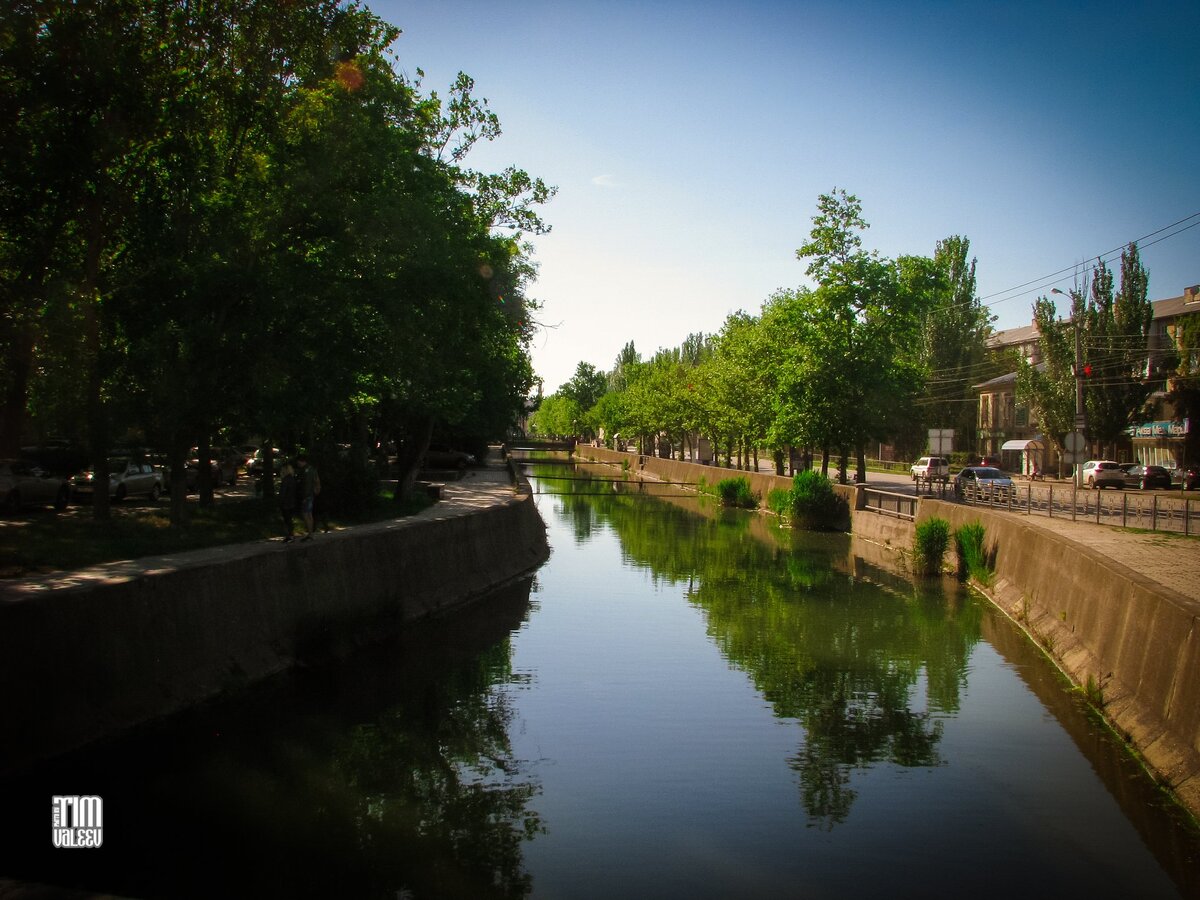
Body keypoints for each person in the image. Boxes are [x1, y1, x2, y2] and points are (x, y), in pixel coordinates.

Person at [296, 453, 320, 540]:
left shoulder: (304, 470)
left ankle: (310, 533)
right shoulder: (312, 469)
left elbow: (305, 484)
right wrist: (317, 489)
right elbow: (317, 480)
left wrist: (304, 496)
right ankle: (311, 533)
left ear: (300, 461)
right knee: (309, 514)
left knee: (306, 514)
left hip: (307, 495)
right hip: (311, 494)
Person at [278, 462, 298, 542]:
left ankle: (289, 535)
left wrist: (280, 501)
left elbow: (283, 492)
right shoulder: (292, 479)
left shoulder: (285, 480)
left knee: (287, 520)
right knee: (289, 519)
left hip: (286, 502)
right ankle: (291, 535)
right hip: (292, 501)